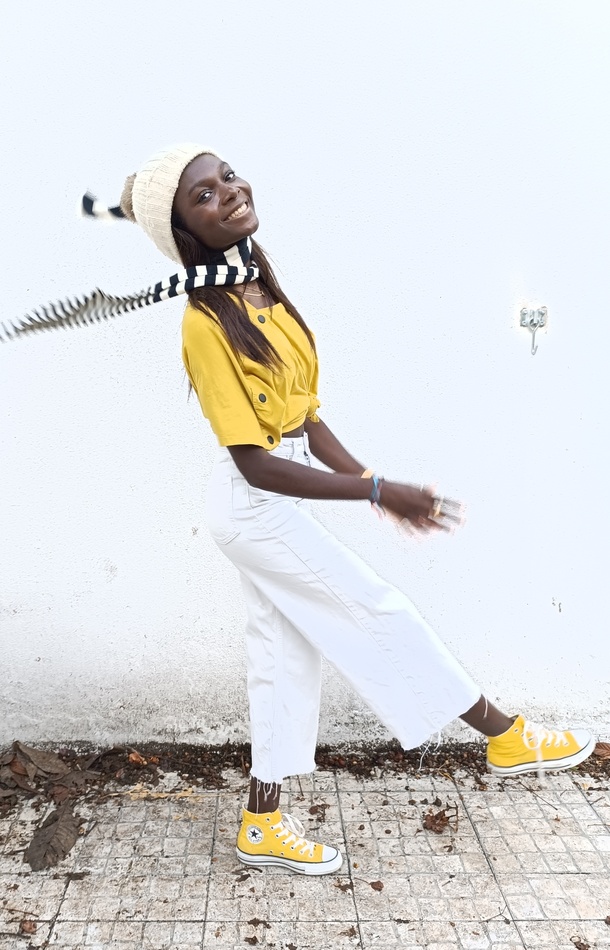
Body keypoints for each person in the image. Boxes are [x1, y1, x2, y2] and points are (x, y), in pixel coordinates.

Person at [7, 143, 596, 877]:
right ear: (184, 231)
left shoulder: (259, 284)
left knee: (284, 658)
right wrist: (377, 492)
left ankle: (262, 822)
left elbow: (306, 421)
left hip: (270, 494)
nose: (228, 191)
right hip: (252, 503)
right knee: (377, 609)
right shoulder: (203, 321)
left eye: (226, 175)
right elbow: (256, 462)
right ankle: (503, 735)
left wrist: (373, 482)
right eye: (203, 194)